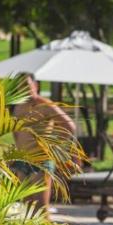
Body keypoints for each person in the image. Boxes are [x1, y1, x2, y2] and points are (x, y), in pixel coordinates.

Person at [12, 76, 76, 211]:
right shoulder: (18, 107)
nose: (25, 90)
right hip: (23, 160)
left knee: (41, 209)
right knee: (27, 209)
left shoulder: (46, 106)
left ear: (35, 86)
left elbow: (70, 126)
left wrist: (54, 146)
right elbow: (15, 131)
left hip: (41, 161)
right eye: (21, 87)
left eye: (27, 86)